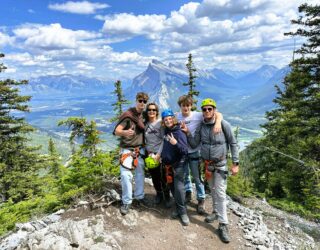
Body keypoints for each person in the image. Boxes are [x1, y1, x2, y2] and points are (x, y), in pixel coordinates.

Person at [182, 98, 239, 243]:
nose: (207, 111)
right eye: (204, 109)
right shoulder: (202, 127)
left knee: (220, 192)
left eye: (210, 109)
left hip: (220, 164)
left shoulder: (223, 124)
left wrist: (236, 163)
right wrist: (188, 132)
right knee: (213, 190)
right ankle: (215, 212)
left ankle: (223, 224)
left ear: (214, 110)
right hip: (207, 165)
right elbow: (195, 143)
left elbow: (233, 142)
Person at [176, 95, 222, 214]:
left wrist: (218, 123)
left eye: (187, 105)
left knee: (197, 177)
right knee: (185, 175)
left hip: (195, 152)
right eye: (183, 105)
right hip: (182, 152)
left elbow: (216, 114)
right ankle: (188, 193)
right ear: (180, 106)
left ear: (191, 106)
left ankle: (201, 199)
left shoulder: (197, 115)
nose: (185, 108)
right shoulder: (177, 116)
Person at [113, 92, 149, 215]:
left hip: (139, 149)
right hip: (127, 150)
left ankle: (139, 197)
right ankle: (127, 202)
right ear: (136, 101)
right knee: (125, 175)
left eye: (144, 102)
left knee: (139, 174)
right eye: (140, 101)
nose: (142, 104)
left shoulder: (144, 116)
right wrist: (125, 133)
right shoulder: (128, 115)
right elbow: (117, 130)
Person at [160, 109, 189, 225]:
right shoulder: (167, 131)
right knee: (172, 187)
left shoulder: (178, 132)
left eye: (170, 118)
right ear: (163, 122)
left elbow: (185, 150)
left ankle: (183, 212)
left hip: (178, 165)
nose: (168, 121)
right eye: (165, 119)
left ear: (173, 119)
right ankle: (178, 208)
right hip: (168, 166)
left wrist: (175, 143)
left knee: (179, 188)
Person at [144, 102, 172, 207]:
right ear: (147, 112)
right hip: (150, 155)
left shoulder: (160, 123)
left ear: (156, 112)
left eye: (153, 110)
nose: (151, 111)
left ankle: (167, 197)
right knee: (154, 177)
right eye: (149, 110)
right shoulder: (145, 124)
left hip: (159, 155)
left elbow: (164, 140)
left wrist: (159, 154)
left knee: (163, 176)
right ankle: (159, 194)